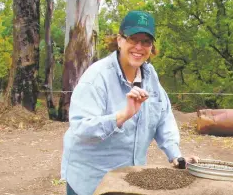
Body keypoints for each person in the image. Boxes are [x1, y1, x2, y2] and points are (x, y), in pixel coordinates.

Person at [61, 10, 199, 195]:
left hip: (127, 181)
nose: (139, 47)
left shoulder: (150, 77)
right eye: (133, 39)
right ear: (119, 40)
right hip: (91, 180)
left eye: (146, 42)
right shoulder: (96, 78)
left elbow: (163, 116)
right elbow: (81, 129)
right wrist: (122, 115)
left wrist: (176, 155)